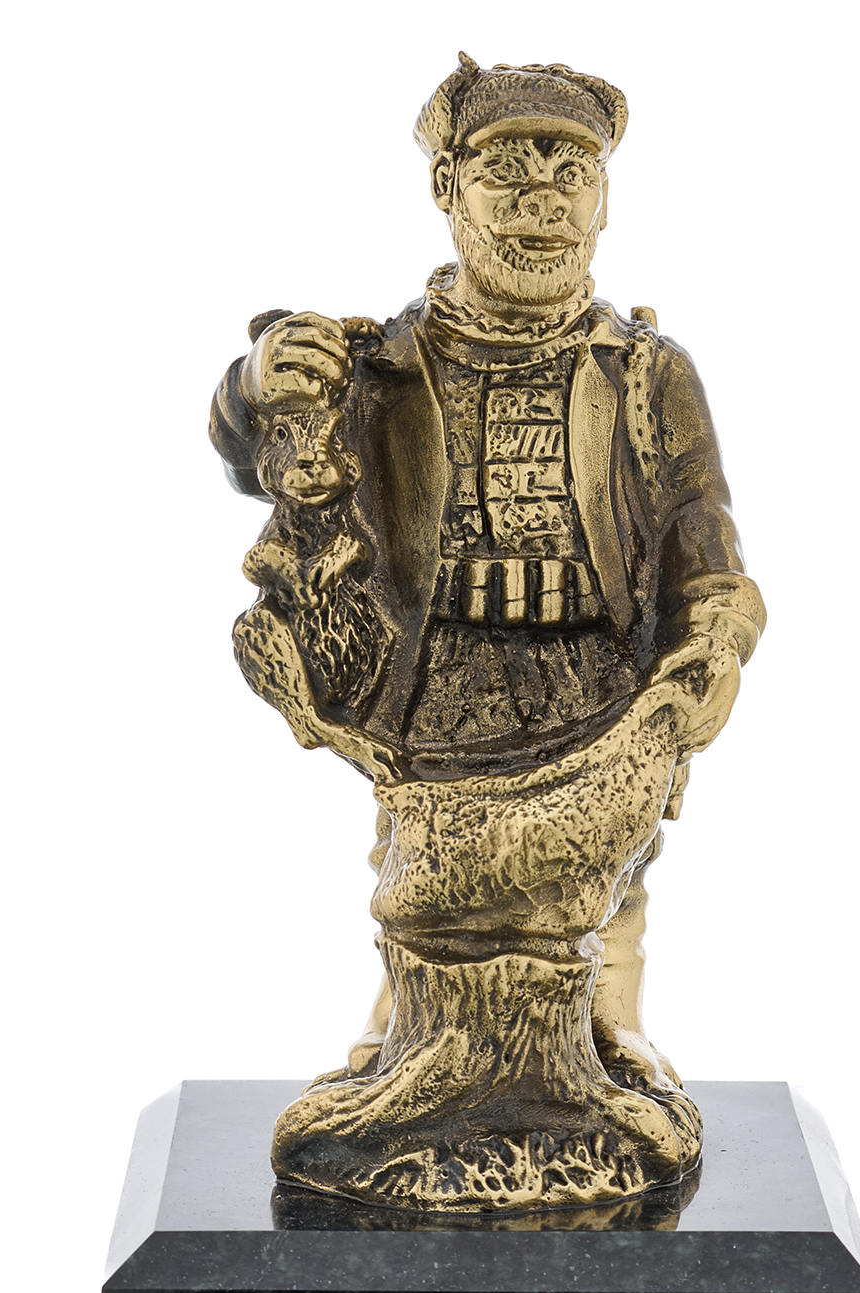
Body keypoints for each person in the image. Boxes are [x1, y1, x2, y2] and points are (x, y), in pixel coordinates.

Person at [210, 55, 764, 1210]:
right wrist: (256, 385)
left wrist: (716, 633)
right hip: (439, 673)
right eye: (508, 170)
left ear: (604, 197)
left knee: (603, 880)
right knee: (426, 864)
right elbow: (253, 449)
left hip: (595, 671)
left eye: (571, 173)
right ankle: (408, 1046)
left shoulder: (647, 373)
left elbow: (698, 527)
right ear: (446, 190)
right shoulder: (382, 363)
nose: (540, 201)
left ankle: (602, 1041)